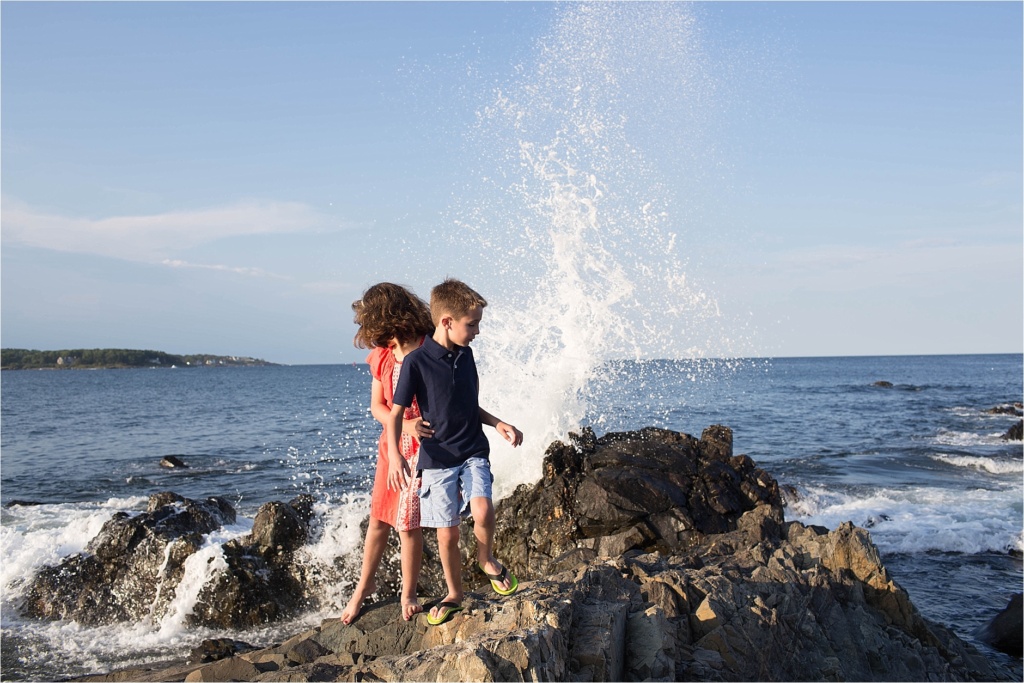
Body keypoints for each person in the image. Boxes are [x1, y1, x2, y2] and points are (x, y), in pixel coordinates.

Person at [386, 278, 524, 626]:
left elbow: (468, 405)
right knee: (446, 532)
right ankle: (454, 593)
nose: (476, 331)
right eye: (472, 324)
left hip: (473, 449)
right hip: (436, 459)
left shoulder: (466, 355)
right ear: (446, 321)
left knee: (482, 508)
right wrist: (395, 455)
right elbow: (395, 414)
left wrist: (497, 423)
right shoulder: (416, 363)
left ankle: (485, 558)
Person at [341, 283, 435, 624]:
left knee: (408, 525)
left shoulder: (429, 347)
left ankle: (407, 593)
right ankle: (363, 588)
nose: (375, 337)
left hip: (424, 450)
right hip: (392, 446)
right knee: (379, 520)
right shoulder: (382, 355)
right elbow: (377, 407)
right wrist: (405, 426)